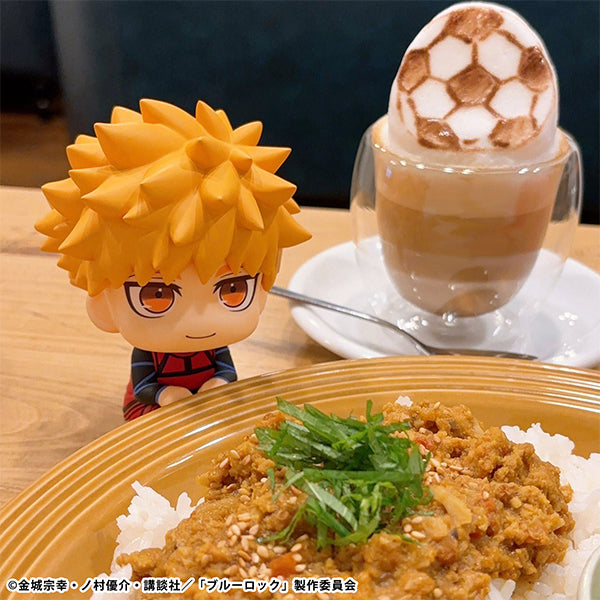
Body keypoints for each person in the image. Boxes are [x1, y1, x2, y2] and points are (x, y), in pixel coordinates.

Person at [36, 98, 311, 420]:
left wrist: (219, 383)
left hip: (212, 408)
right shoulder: (149, 354)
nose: (200, 319)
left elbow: (226, 370)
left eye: (233, 289)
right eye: (157, 295)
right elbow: (143, 384)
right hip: (155, 412)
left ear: (263, 290)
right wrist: (165, 394)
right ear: (101, 304)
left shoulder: (214, 348)